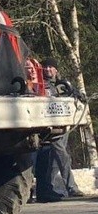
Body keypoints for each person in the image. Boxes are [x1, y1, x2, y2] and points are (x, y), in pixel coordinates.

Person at [33, 58, 84, 202]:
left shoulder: (63, 85)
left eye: (50, 67)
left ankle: (56, 189)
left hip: (61, 126)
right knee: (57, 157)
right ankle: (65, 188)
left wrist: (78, 95)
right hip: (46, 128)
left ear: (56, 70)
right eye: (45, 67)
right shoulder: (39, 84)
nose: (48, 69)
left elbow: (72, 94)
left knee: (56, 159)